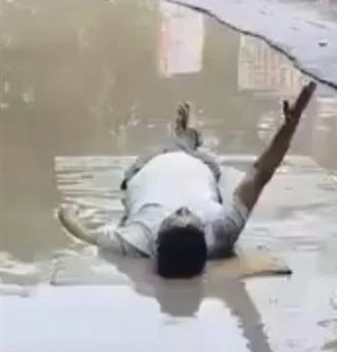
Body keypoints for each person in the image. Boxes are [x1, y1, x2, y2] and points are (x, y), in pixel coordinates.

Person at [58, 82, 317, 279]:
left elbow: (85, 235)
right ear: (204, 236)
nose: (181, 209)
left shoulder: (137, 241)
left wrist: (65, 213)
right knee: (195, 150)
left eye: (174, 217)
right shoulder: (221, 232)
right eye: (189, 217)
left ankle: (183, 135)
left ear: (156, 242)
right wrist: (289, 128)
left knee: (171, 145)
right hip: (202, 165)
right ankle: (186, 136)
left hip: (147, 166)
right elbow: (261, 173)